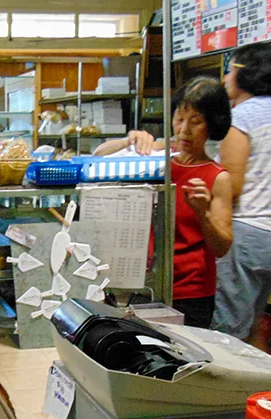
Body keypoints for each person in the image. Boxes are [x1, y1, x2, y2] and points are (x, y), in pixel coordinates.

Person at [93, 78, 234, 328]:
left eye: (196, 122)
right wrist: (129, 141)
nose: (183, 131)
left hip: (191, 293)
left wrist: (203, 214)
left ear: (212, 125)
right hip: (142, 285)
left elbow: (221, 247)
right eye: (179, 119)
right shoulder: (159, 160)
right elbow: (97, 157)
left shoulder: (217, 177)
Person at [211, 43, 271, 341]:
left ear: (243, 74)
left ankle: (225, 387)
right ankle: (257, 387)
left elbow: (232, 186)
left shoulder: (242, 117)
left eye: (230, 69)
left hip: (249, 231)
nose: (225, 77)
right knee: (252, 321)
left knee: (228, 329)